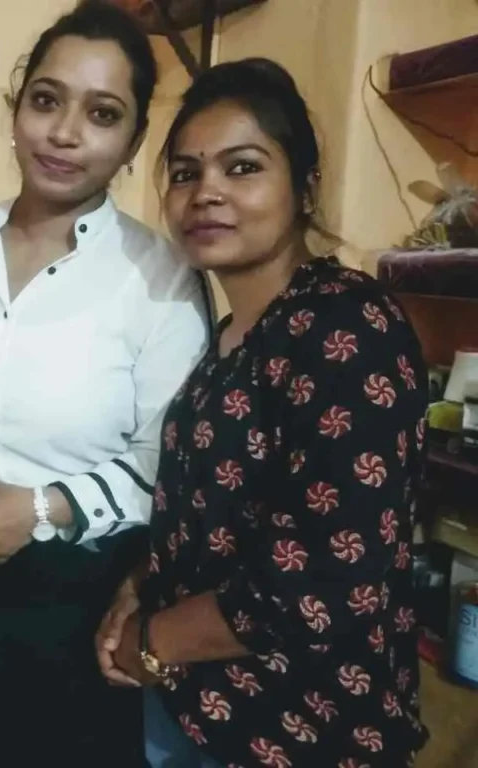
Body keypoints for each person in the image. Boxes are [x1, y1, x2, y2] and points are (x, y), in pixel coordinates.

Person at [95, 58, 431, 767]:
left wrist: (150, 640)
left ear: (305, 187)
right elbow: (204, 511)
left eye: (242, 167)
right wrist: (138, 589)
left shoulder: (347, 325)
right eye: (185, 173)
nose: (206, 192)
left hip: (303, 727)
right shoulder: (227, 338)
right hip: (194, 704)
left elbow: (328, 575)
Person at [0, 2, 210, 765]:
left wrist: (43, 508)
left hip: (88, 600)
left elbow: (169, 463)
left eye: (102, 114)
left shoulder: (161, 277)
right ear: (16, 109)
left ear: (133, 140)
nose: (65, 133)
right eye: (47, 100)